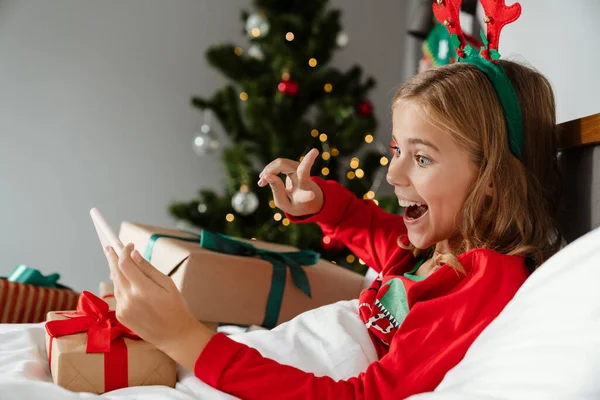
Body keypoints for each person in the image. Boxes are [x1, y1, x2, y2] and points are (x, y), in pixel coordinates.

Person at [104, 3, 562, 398]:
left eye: (421, 158)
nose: (393, 173)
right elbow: (377, 234)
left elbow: (364, 396)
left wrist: (190, 341)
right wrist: (320, 202)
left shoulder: (484, 279)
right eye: (397, 150)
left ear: (492, 182)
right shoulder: (434, 249)